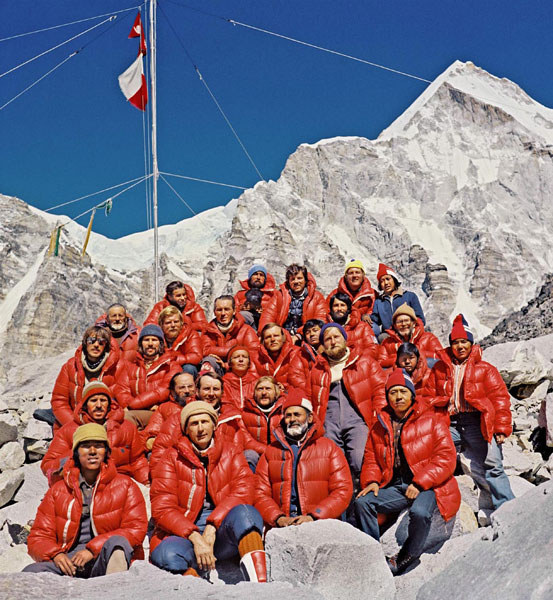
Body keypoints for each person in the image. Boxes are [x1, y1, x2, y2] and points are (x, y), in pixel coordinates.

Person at [354, 368, 460, 575]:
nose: (398, 397)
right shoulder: (380, 425)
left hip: (431, 485)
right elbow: (371, 457)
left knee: (419, 512)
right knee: (363, 502)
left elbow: (446, 457)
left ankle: (407, 555)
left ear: (412, 394)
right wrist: (372, 480)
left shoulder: (432, 420)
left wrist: (420, 482)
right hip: (398, 486)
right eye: (393, 392)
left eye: (403, 391)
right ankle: (373, 555)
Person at [149, 401, 267, 582]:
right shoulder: (171, 457)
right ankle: (197, 584)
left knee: (247, 514)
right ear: (186, 430)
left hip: (223, 528)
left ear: (214, 425)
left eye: (204, 422)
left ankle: (259, 585)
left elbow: (244, 490)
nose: (200, 429)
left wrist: (212, 526)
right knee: (165, 555)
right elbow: (162, 508)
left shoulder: (231, 451)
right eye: (194, 424)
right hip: (186, 533)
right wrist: (195, 537)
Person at [24, 424, 147, 578]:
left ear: (106, 452)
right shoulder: (58, 490)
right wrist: (56, 554)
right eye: (86, 446)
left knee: (118, 543)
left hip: (104, 556)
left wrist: (92, 550)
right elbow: (38, 536)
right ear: (76, 452)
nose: (93, 451)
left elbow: (135, 529)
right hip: (70, 561)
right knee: (30, 573)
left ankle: (113, 587)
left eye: (99, 446)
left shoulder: (125, 485)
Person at [425, 314, 514, 510]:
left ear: (471, 344)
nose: (460, 346)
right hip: (450, 422)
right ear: (450, 345)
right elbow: (427, 395)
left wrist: (500, 428)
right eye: (455, 342)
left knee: (492, 464)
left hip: (477, 421)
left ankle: (508, 509)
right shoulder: (439, 369)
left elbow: (500, 399)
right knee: (428, 452)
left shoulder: (485, 369)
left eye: (464, 341)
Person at [255, 389, 353, 526]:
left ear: (310, 418)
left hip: (320, 524)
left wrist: (314, 516)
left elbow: (343, 490)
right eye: (288, 415)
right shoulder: (271, 452)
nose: (292, 419)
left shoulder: (329, 448)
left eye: (297, 414)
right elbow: (259, 493)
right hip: (283, 525)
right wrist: (278, 518)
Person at [309, 323, 386, 479]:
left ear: (345, 339)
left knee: (360, 461)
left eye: (336, 337)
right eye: (328, 339)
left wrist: (376, 419)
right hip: (329, 422)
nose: (333, 342)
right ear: (323, 345)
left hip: (358, 419)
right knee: (333, 467)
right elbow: (309, 397)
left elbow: (380, 391)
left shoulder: (364, 362)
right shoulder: (318, 369)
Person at [42, 382, 149, 486]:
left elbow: (138, 461)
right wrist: (77, 453)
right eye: (93, 401)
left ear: (109, 404)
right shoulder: (69, 430)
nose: (98, 405)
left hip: (121, 482)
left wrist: (145, 481)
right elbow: (47, 465)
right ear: (85, 405)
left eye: (103, 400)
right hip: (83, 483)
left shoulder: (127, 427)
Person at [150, 372, 245, 470]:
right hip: (190, 471)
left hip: (223, 470)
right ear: (197, 391)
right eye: (206, 389)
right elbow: (161, 452)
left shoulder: (231, 417)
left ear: (222, 392)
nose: (211, 393)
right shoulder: (180, 418)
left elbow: (239, 450)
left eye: (216, 389)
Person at [51, 325, 120, 430]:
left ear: (106, 346)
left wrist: (108, 425)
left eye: (101, 342)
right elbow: (59, 401)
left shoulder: (117, 367)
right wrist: (76, 425)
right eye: (91, 340)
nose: (96, 345)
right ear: (85, 343)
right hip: (75, 422)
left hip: (106, 424)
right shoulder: (70, 366)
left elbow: (122, 403)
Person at [115, 324, 181, 430]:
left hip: (161, 412)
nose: (150, 344)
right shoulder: (131, 367)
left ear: (160, 343)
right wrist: (134, 405)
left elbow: (162, 391)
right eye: (146, 340)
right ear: (141, 343)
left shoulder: (171, 365)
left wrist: (133, 405)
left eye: (154, 340)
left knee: (126, 418)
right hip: (138, 410)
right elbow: (121, 390)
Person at [259, 264, 326, 343]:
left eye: (299, 278)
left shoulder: (317, 297)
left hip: (307, 336)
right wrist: (269, 333)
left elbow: (320, 320)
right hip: (282, 337)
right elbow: (267, 316)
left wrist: (299, 335)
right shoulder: (279, 295)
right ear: (288, 282)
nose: (296, 282)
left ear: (305, 280)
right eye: (293, 279)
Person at [142, 371, 197, 452]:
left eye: (190, 386)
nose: (187, 391)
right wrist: (152, 440)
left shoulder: (202, 404)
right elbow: (151, 432)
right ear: (172, 391)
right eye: (182, 387)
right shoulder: (164, 408)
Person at [240, 376, 285, 472]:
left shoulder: (285, 411)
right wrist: (268, 451)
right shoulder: (244, 413)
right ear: (255, 393)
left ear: (276, 392)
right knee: (249, 455)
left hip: (280, 456)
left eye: (268, 389)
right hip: (258, 456)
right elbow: (247, 442)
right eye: (260, 389)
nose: (264, 393)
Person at [378, 304, 442, 369]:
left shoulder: (429, 338)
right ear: (395, 326)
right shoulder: (387, 342)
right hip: (398, 373)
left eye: (406, 320)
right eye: (399, 322)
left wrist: (417, 354)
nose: (403, 324)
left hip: (424, 372)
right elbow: (380, 363)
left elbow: (441, 357)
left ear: (414, 323)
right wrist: (399, 359)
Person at [371, 264, 425, 339]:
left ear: (394, 279)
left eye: (388, 279)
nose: (386, 283)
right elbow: (375, 319)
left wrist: (412, 331)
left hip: (408, 333)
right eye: (382, 281)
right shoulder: (379, 301)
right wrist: (366, 317)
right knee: (382, 337)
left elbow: (420, 319)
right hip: (389, 336)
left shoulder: (410, 296)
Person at [202, 295, 260, 359]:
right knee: (209, 360)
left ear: (234, 311)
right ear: (214, 312)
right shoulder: (208, 330)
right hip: (216, 362)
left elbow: (254, 353)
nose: (223, 313)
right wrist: (232, 351)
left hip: (238, 364)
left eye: (227, 309)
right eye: (219, 310)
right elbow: (205, 350)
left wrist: (228, 362)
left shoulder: (246, 330)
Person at [327, 292, 378, 357]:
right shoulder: (326, 330)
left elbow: (373, 349)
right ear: (331, 309)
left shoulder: (363, 327)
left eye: (342, 305)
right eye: (336, 305)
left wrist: (354, 359)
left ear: (348, 309)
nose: (339, 309)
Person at [254, 323, 301, 389]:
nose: (272, 339)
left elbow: (301, 384)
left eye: (276, 336)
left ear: (283, 337)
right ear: (263, 341)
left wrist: (285, 387)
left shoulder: (297, 353)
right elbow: (253, 383)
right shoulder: (256, 358)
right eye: (268, 337)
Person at [158, 306, 202, 371]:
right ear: (161, 325)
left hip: (183, 367)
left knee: (189, 368)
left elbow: (196, 356)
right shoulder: (157, 338)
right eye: (168, 323)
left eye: (176, 322)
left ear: (181, 323)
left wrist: (175, 359)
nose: (173, 325)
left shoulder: (191, 334)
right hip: (164, 367)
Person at [287, 319, 324, 389]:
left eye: (315, 330)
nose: (312, 334)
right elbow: (295, 377)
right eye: (308, 332)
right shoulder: (301, 354)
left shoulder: (332, 349)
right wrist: (312, 390)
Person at [223, 346, 259, 410]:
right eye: (236, 357)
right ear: (230, 363)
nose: (241, 360)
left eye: (244, 357)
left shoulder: (256, 382)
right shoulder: (223, 383)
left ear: (249, 363)